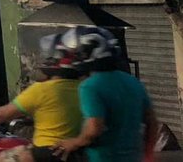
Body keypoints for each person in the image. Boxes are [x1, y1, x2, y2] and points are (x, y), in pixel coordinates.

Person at [0, 33, 84, 161]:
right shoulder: (83, 88)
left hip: (46, 152)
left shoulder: (42, 90)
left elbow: (1, 114)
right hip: (75, 153)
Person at [54, 26, 159, 162]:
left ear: (84, 54)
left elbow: (94, 129)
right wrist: (148, 154)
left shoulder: (90, 87)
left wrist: (73, 142)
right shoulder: (132, 81)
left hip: (104, 157)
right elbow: (152, 122)